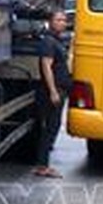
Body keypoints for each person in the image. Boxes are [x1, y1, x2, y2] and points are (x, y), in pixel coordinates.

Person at [34, 9, 71, 179]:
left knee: (53, 127)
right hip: (52, 91)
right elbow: (46, 66)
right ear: (50, 21)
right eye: (58, 19)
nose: (62, 23)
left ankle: (43, 164)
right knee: (49, 128)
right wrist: (53, 91)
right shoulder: (48, 42)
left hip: (60, 89)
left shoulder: (57, 41)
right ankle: (42, 166)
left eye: (64, 20)